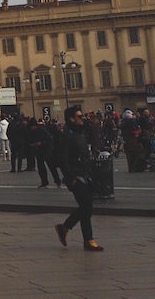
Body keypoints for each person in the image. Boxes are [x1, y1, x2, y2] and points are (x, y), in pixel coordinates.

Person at [52, 106, 102, 252]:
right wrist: (71, 178)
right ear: (71, 119)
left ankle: (65, 227)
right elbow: (63, 159)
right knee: (86, 207)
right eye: (80, 117)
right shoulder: (67, 135)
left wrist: (89, 123)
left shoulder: (80, 132)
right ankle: (88, 240)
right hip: (76, 176)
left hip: (85, 174)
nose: (83, 118)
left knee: (86, 207)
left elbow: (94, 137)